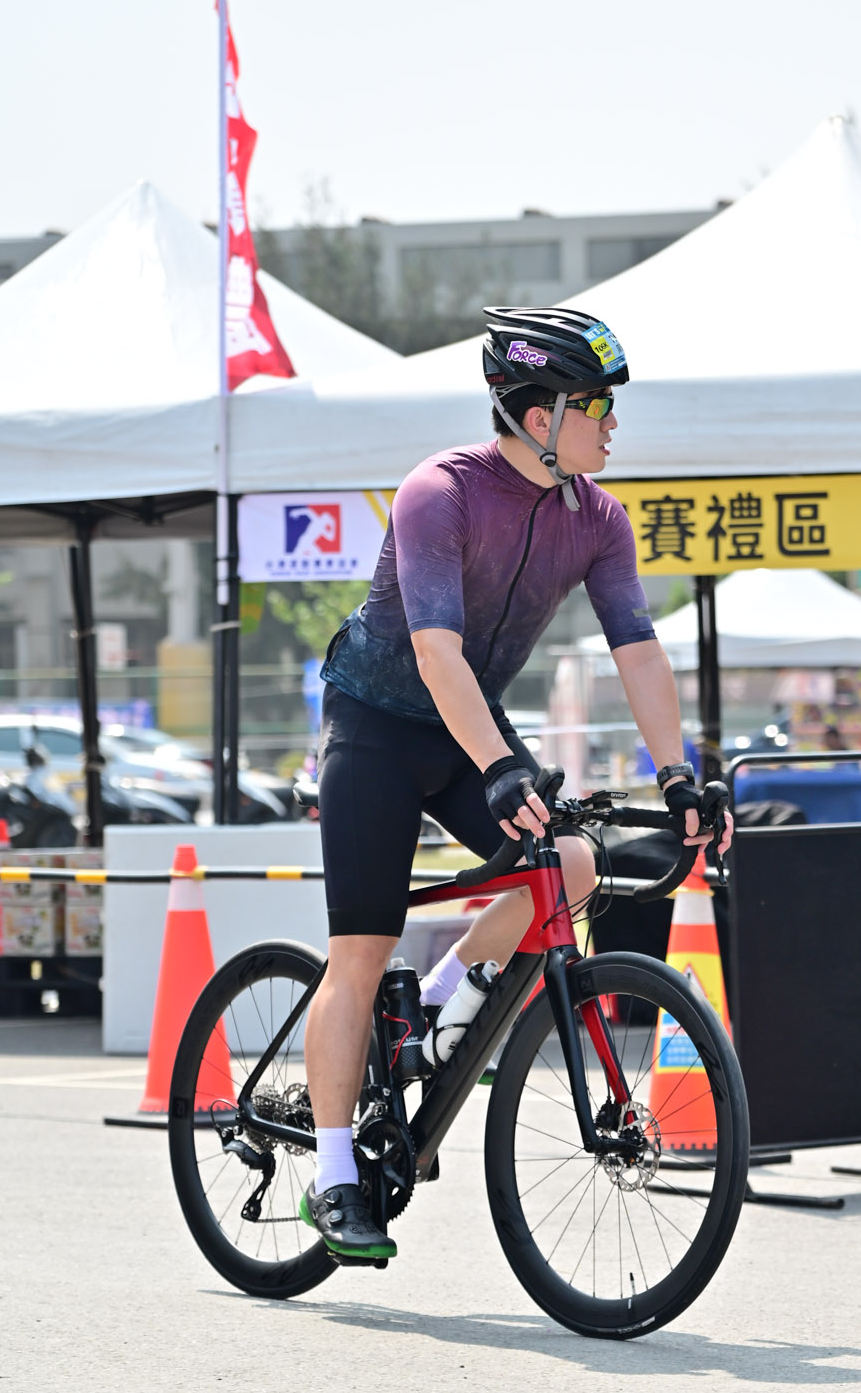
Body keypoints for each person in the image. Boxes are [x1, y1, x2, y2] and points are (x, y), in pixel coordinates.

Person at [300, 306, 731, 1258]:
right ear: (540, 417)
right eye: (596, 408)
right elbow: (435, 650)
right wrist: (499, 765)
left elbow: (638, 650)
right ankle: (334, 1176)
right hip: (377, 727)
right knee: (360, 951)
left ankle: (437, 1006)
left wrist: (678, 776)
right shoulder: (439, 492)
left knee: (570, 863)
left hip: (468, 724)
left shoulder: (597, 518)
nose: (611, 425)